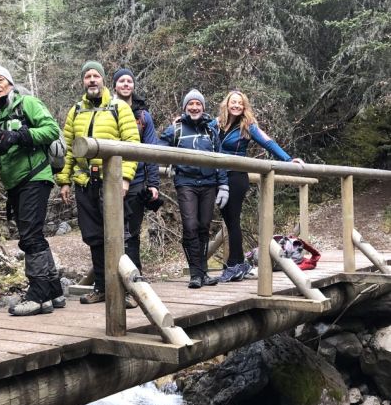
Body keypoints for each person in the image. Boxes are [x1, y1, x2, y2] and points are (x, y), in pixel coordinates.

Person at [0, 61, 65, 316]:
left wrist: (20, 136)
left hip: (35, 176)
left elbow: (51, 130)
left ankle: (37, 296)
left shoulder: (28, 103)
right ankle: (53, 292)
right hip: (13, 180)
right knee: (33, 234)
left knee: (30, 237)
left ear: (10, 83)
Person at [56, 61, 140, 305]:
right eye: (87, 76)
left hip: (111, 182)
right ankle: (102, 287)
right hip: (84, 182)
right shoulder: (75, 111)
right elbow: (69, 149)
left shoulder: (119, 107)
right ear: (83, 81)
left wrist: (125, 178)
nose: (92, 80)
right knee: (93, 236)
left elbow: (132, 144)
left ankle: (128, 290)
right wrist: (64, 181)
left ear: (103, 80)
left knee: (119, 236)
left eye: (96, 76)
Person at [211, 89, 304, 282]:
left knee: (233, 221)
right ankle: (239, 264)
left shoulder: (248, 126)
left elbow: (268, 143)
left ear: (244, 106)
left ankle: (234, 264)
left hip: (236, 176)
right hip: (219, 177)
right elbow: (197, 129)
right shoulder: (216, 123)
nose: (236, 105)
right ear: (226, 104)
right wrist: (180, 122)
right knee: (228, 220)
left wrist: (288, 159)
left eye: (240, 103)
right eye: (233, 102)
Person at [158, 89, 229, 288]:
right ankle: (195, 274)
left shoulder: (211, 131)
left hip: (208, 183)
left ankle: (203, 273)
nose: (195, 107)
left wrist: (223, 184)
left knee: (204, 226)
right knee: (190, 226)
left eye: (198, 104)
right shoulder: (176, 129)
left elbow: (220, 159)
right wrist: (169, 162)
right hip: (186, 183)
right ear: (185, 107)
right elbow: (157, 148)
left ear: (203, 107)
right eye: (191, 104)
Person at [112, 68, 161, 277]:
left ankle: (134, 277)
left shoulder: (143, 116)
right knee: (110, 231)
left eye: (129, 81)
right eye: (121, 81)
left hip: (137, 180)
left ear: (133, 86)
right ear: (114, 85)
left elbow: (151, 150)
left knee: (132, 231)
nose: (125, 84)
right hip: (109, 178)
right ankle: (111, 278)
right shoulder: (106, 110)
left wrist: (154, 183)